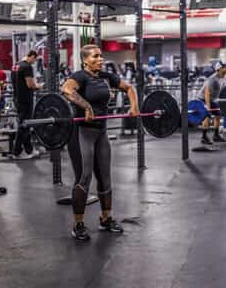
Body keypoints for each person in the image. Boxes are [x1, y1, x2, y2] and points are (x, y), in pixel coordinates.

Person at [61, 44, 139, 242]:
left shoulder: (106, 77)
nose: (100, 59)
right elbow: (66, 90)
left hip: (101, 132)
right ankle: (78, 224)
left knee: (105, 177)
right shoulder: (80, 76)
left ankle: (106, 219)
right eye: (96, 56)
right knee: (84, 177)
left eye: (101, 56)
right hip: (82, 133)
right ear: (85, 60)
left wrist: (134, 107)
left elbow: (129, 88)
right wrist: (86, 106)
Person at [12, 50, 43, 159]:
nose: (34, 62)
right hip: (25, 100)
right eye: (34, 60)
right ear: (32, 57)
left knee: (25, 124)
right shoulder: (27, 67)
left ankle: (29, 150)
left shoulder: (16, 66)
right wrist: (39, 86)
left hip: (17, 99)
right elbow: (30, 85)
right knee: (24, 125)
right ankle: (17, 151)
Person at [197, 60, 226, 145]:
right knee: (206, 116)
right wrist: (208, 107)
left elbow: (224, 91)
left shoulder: (224, 78)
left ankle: (216, 135)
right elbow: (207, 93)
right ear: (219, 69)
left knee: (218, 115)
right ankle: (204, 137)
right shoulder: (212, 79)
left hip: (212, 99)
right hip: (203, 98)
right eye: (224, 67)